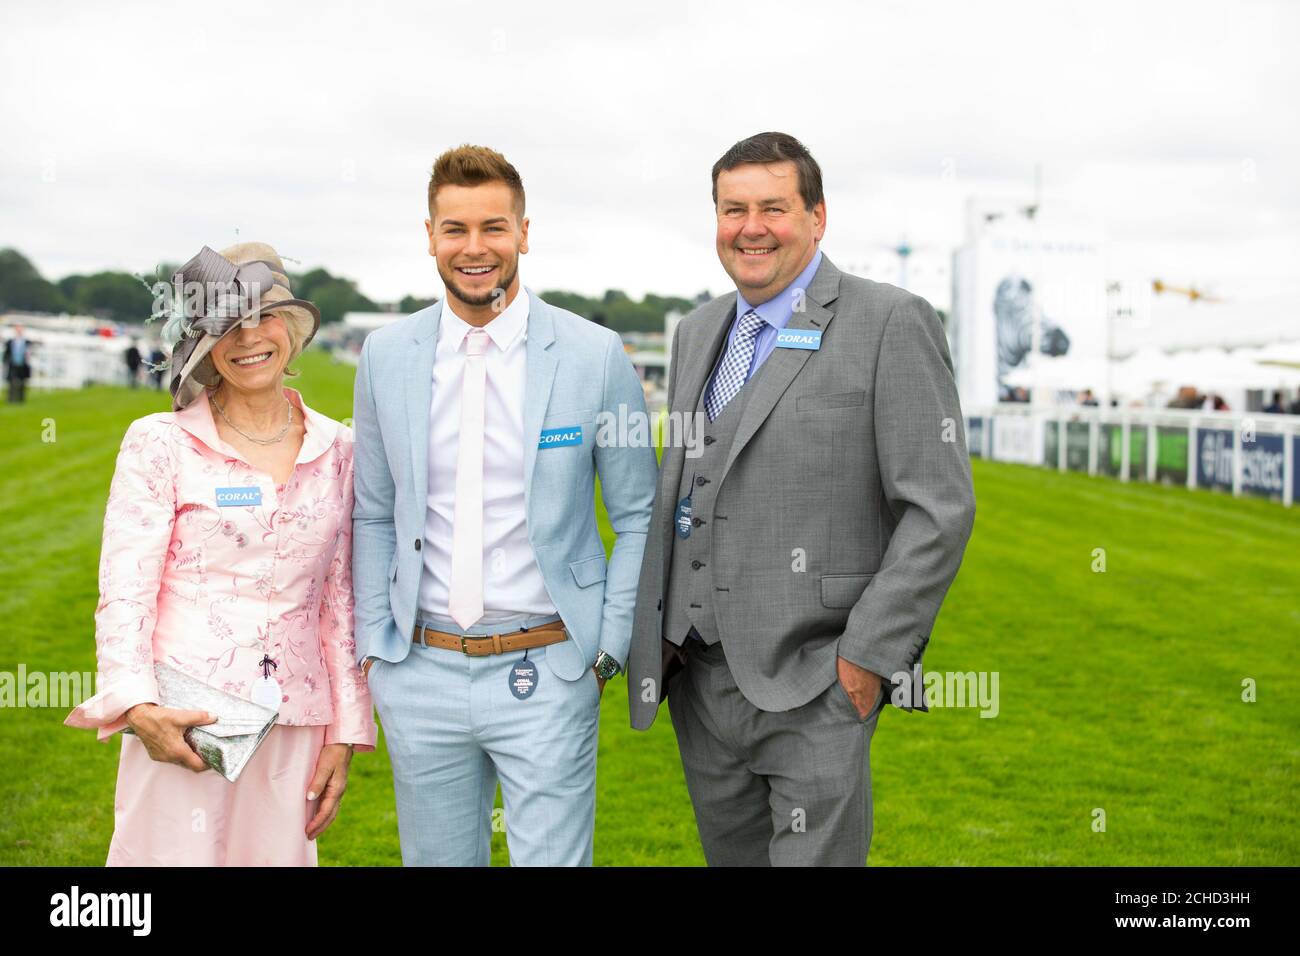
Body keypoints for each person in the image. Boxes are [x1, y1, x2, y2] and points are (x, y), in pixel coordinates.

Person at [627, 132, 977, 866]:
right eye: (732, 209)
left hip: (818, 682)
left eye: (773, 208)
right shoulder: (698, 331)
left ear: (817, 217)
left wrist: (868, 657)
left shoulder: (890, 321)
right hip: (701, 681)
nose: (750, 227)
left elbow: (939, 507)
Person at [351, 145, 657, 866]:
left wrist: (605, 650)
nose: (474, 247)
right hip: (419, 667)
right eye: (455, 229)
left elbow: (638, 513)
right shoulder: (386, 354)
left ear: (524, 232)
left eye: (493, 227)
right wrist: (374, 648)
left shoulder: (594, 354)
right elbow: (372, 510)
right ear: (429, 236)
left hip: (548, 666)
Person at [65, 242, 376, 866]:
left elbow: (342, 602)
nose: (248, 337)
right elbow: (125, 588)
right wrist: (137, 705)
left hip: (295, 723)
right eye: (226, 324)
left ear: (289, 326)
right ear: (203, 342)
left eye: (262, 315)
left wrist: (346, 733)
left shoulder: (341, 448)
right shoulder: (160, 443)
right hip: (183, 721)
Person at [3, 323, 33, 403]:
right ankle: (10, 399)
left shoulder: (27, 342)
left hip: (23, 364)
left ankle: (21, 399)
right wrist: (5, 362)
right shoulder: (10, 341)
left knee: (22, 382)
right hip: (12, 364)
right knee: (11, 382)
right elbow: (6, 353)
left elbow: (30, 353)